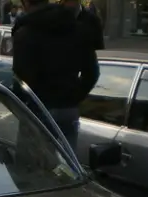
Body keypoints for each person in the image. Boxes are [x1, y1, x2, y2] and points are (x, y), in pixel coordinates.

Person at [12, 0, 99, 151]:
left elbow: (20, 81)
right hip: (68, 108)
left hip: (38, 109)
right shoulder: (79, 29)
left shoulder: (25, 33)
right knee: (68, 165)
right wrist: (74, 96)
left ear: (26, 3)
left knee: (32, 168)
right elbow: (92, 73)